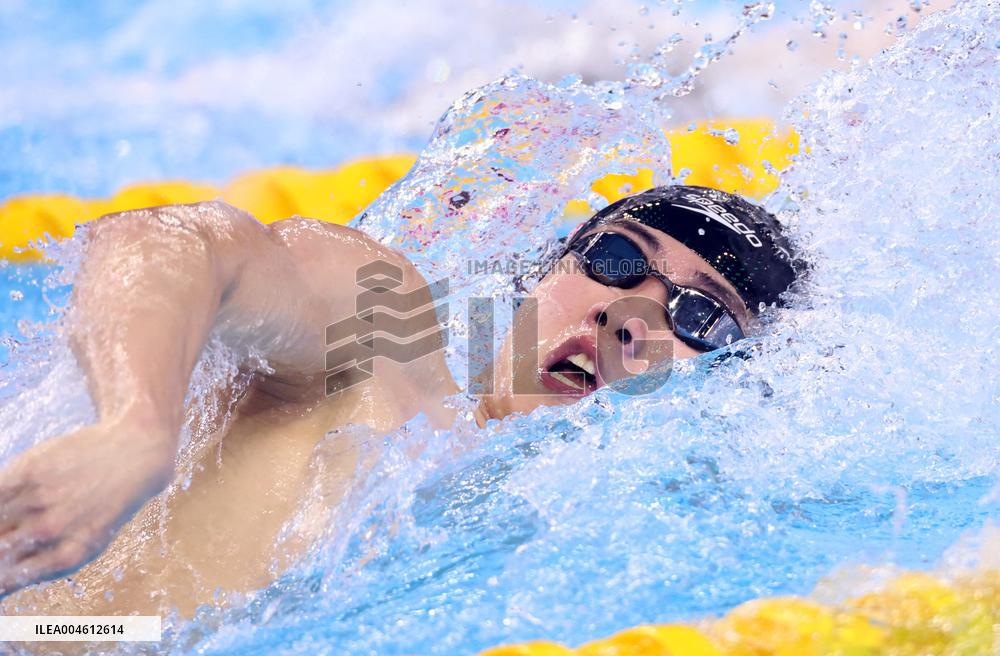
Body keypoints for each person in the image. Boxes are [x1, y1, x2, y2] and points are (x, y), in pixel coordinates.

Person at [0, 185, 802, 616]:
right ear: (542, 272)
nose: (623, 316)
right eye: (620, 258)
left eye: (700, 317)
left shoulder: (623, 554)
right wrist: (137, 425)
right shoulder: (383, 349)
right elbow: (165, 241)